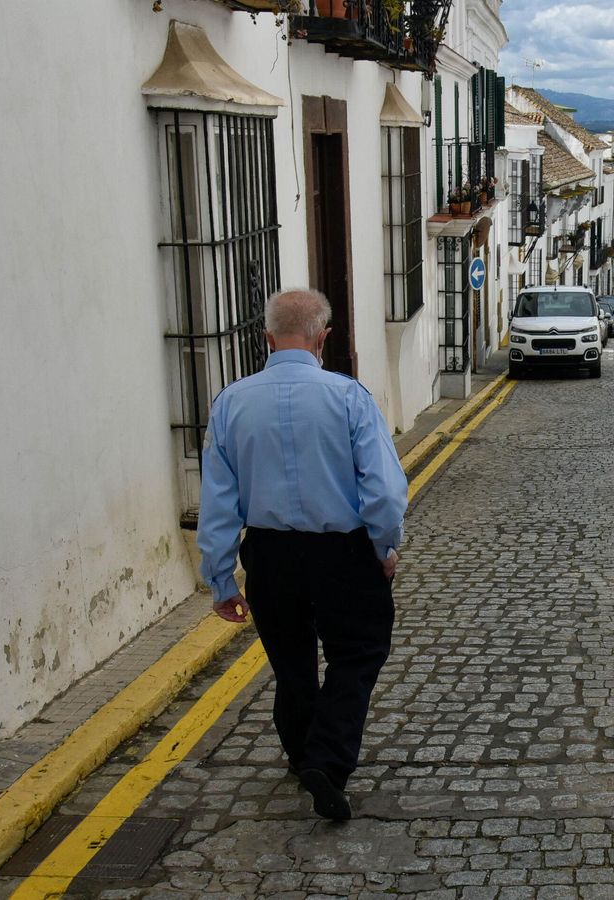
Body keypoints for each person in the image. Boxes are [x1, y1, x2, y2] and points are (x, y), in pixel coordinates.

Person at [198, 288, 407, 823]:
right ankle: (327, 760)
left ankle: (301, 756)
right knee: (357, 653)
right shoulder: (349, 397)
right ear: (324, 337)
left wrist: (222, 580)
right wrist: (384, 547)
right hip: (343, 552)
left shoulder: (231, 403)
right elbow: (383, 491)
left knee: (291, 662)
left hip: (269, 554)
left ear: (267, 337)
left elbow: (218, 504)